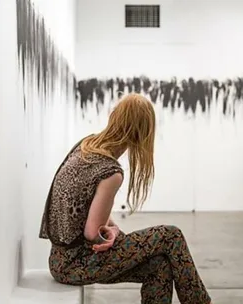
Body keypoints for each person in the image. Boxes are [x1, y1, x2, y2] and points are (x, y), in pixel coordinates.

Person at [39, 93, 212, 304]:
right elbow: (92, 232)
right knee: (171, 236)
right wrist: (108, 232)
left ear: (115, 117)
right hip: (75, 265)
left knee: (159, 266)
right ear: (141, 132)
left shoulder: (86, 145)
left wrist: (112, 228)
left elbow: (88, 208)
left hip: (59, 260)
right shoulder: (110, 171)